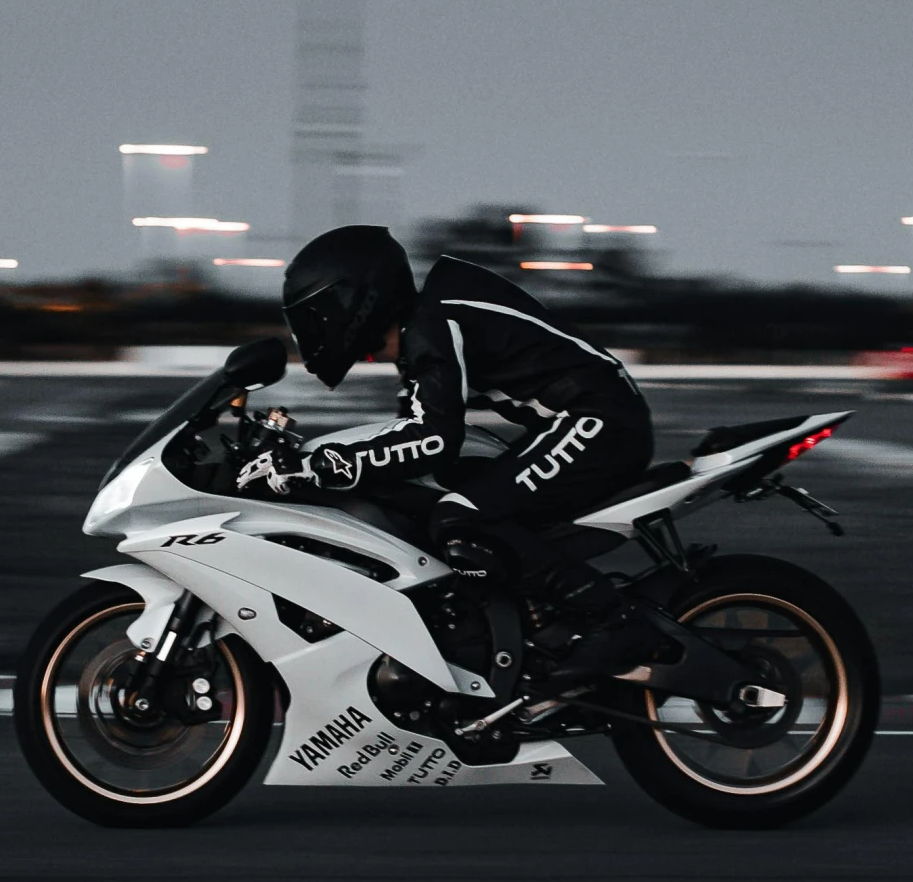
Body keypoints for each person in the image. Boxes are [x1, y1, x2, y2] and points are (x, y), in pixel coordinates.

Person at [238, 224, 661, 679]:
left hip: (599, 421)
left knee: (462, 516)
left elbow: (434, 439)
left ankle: (613, 621)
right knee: (445, 500)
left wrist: (319, 469)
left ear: (356, 299)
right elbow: (405, 437)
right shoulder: (428, 323)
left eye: (319, 315)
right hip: (582, 420)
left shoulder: (436, 322)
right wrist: (320, 459)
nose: (315, 329)